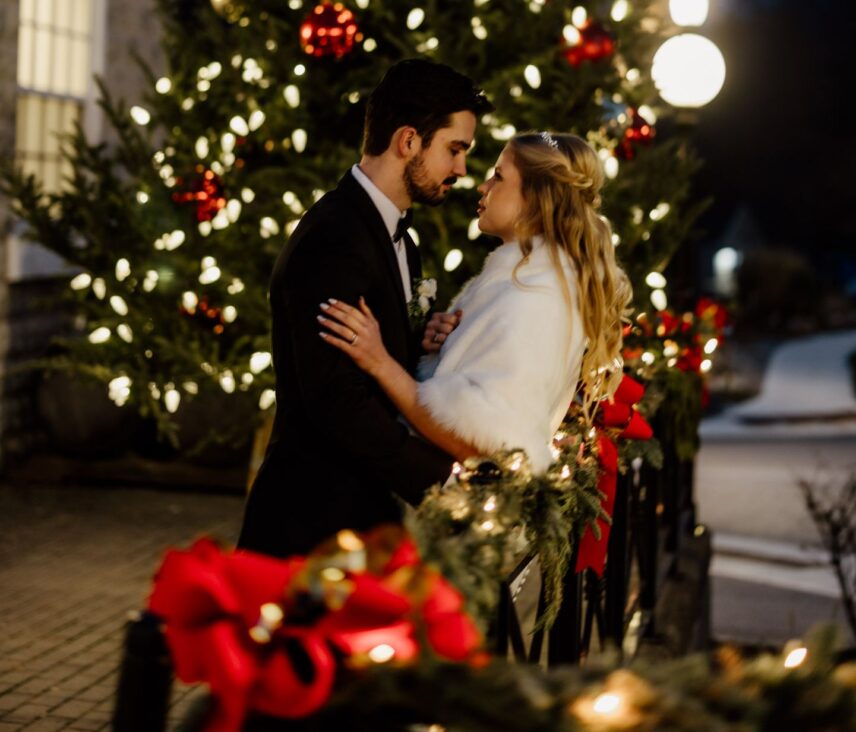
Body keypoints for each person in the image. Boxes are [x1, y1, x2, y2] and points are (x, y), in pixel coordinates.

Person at [237, 59, 493, 558]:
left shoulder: (400, 235)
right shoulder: (334, 236)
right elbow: (336, 401)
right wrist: (446, 480)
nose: (461, 169)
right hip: (312, 526)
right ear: (408, 141)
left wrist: (421, 338)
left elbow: (375, 362)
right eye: (455, 149)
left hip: (364, 517)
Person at [318, 132, 632, 474]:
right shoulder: (525, 281)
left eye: (498, 176)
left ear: (537, 197)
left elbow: (491, 446)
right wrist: (440, 349)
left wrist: (381, 363)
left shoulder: (534, 300)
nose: (483, 187)